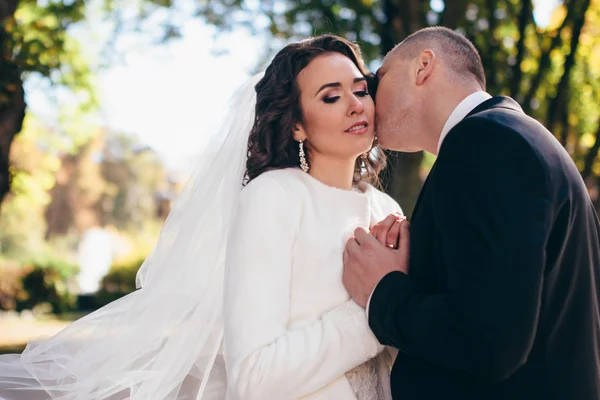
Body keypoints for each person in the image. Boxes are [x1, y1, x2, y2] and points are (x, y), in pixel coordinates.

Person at [0, 35, 402, 400]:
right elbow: (255, 378)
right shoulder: (275, 196)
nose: (356, 105)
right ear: (297, 125)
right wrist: (374, 307)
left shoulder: (387, 211)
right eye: (331, 97)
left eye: (361, 90)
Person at [342, 26, 600, 400]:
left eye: (379, 77)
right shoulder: (515, 139)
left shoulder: (486, 143)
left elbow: (491, 340)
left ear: (423, 66)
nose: (369, 95)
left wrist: (383, 291)